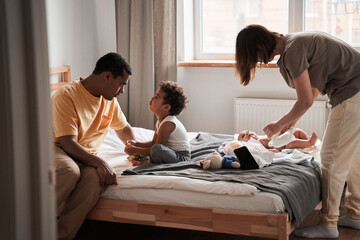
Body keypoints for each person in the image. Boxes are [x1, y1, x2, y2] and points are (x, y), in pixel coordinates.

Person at [235, 24, 360, 238]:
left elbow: (306, 100)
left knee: (330, 160)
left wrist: (277, 125)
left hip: (352, 95)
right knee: (353, 159)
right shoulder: (297, 43)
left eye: (254, 56)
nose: (257, 61)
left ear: (259, 45)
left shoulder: (293, 51)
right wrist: (288, 123)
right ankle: (356, 215)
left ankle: (328, 224)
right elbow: (310, 93)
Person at [52, 52, 135, 240]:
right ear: (107, 76)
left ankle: (61, 235)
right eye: (121, 84)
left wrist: (136, 151)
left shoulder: (108, 100)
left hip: (83, 154)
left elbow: (124, 129)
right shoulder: (66, 96)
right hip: (57, 148)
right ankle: (34, 223)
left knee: (95, 178)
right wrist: (101, 162)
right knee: (69, 170)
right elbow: (68, 143)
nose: (122, 90)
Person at [125, 81, 190, 166]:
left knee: (156, 149)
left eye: (156, 97)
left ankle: (146, 161)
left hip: (181, 157)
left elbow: (156, 148)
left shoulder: (167, 124)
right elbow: (153, 143)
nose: (152, 98)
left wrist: (135, 150)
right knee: (154, 148)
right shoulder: (160, 121)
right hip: (170, 153)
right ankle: (145, 160)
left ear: (166, 107)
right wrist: (136, 143)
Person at [238, 128, 317, 152]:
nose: (248, 134)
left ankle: (306, 138)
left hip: (284, 137)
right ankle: (309, 142)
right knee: (292, 143)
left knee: (297, 131)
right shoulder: (255, 144)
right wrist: (274, 150)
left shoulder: (260, 137)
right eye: (244, 135)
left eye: (248, 132)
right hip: (284, 145)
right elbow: (263, 151)